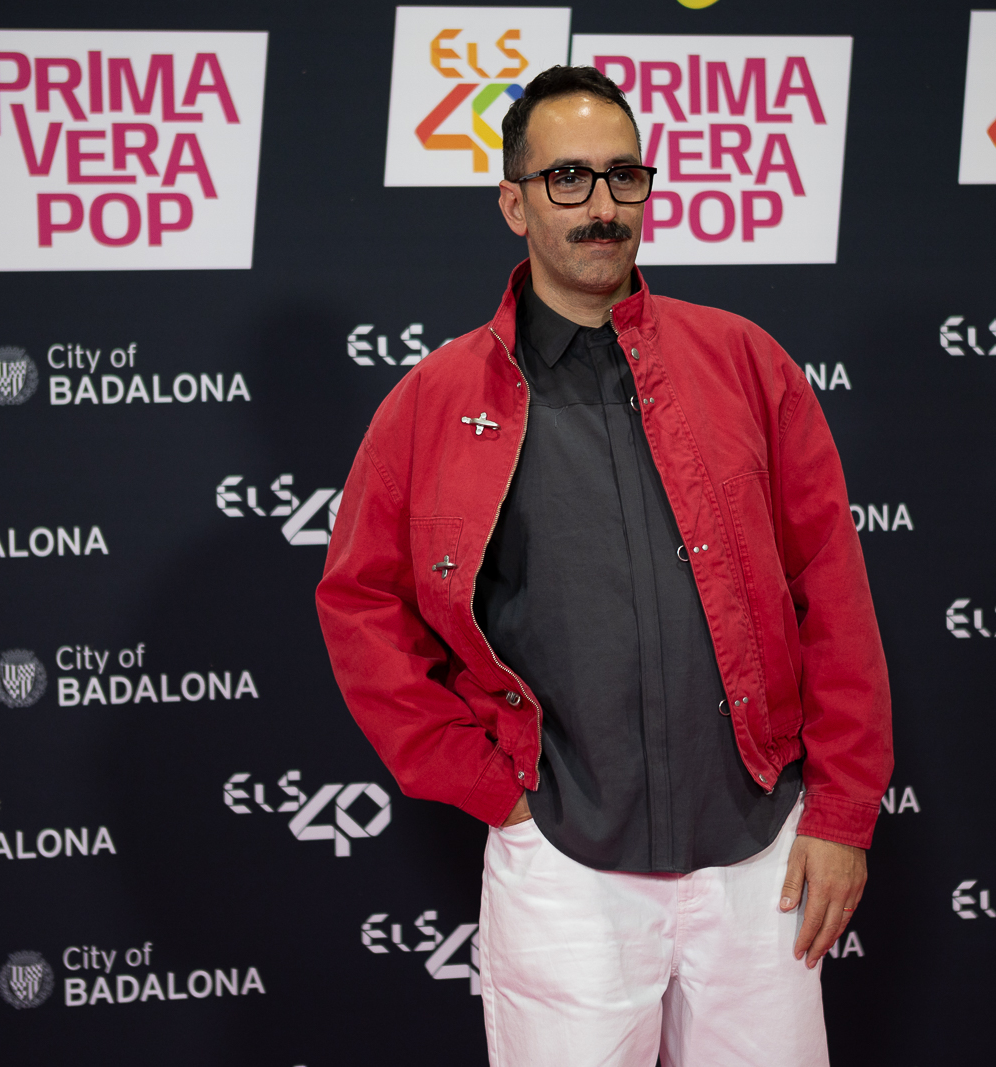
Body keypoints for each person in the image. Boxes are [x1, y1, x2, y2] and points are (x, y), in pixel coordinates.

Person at [316, 64, 892, 1066]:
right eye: (567, 179)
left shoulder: (746, 362)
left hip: (762, 860)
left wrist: (840, 814)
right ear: (515, 203)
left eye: (624, 176)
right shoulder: (435, 400)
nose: (601, 206)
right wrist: (489, 786)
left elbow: (831, 596)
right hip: (563, 868)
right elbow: (361, 604)